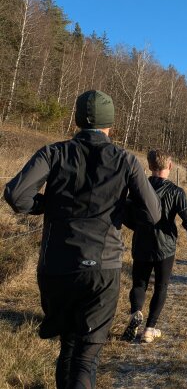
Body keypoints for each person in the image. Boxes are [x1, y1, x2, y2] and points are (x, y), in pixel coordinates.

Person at [3, 90, 161, 389]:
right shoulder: (126, 160)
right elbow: (152, 213)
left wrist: (44, 206)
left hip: (56, 267)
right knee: (86, 359)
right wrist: (120, 210)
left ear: (76, 119)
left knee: (67, 347)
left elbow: (15, 195)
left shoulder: (54, 152)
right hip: (102, 268)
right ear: (110, 123)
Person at [121, 149, 187, 343]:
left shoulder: (139, 188)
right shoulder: (176, 192)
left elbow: (127, 213)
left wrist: (137, 226)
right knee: (161, 287)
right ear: (170, 167)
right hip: (166, 246)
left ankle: (136, 312)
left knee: (139, 283)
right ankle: (149, 328)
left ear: (149, 166)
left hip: (141, 242)